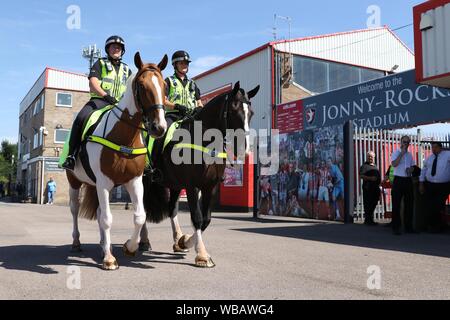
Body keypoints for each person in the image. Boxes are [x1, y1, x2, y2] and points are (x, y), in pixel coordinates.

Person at [62, 36, 132, 170]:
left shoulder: (127, 69)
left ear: (122, 51)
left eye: (118, 47)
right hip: (100, 100)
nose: (116, 49)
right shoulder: (100, 63)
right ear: (108, 49)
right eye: (113, 47)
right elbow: (93, 83)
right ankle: (71, 155)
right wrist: (106, 96)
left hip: (119, 104)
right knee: (81, 117)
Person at [164, 50, 203, 127]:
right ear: (175, 65)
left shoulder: (192, 83)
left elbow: (199, 103)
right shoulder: (168, 81)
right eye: (181, 63)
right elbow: (163, 100)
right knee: (164, 131)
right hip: (173, 116)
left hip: (190, 116)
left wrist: (199, 108)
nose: (184, 65)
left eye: (186, 63)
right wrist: (176, 106)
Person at [419, 142, 450, 233]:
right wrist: (421, 183)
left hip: (443, 185)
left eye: (436, 147)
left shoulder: (447, 155)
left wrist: (446, 149)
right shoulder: (430, 158)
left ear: (441, 148)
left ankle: (438, 226)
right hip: (430, 184)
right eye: (432, 147)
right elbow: (423, 170)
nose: (434, 149)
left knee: (437, 205)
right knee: (429, 205)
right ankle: (434, 225)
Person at [390, 135, 416, 235]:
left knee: (409, 204)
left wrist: (411, 169)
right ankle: (396, 227)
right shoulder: (396, 152)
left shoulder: (410, 155)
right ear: (401, 142)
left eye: (407, 142)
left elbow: (413, 166)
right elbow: (394, 164)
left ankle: (408, 227)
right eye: (404, 142)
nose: (406, 144)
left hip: (407, 180)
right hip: (398, 180)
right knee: (396, 204)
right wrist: (401, 154)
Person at [359, 151, 381, 226]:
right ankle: (368, 220)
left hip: (375, 188)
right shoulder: (364, 166)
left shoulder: (375, 166)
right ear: (367, 157)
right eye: (369, 156)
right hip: (368, 188)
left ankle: (370, 219)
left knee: (374, 202)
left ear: (374, 157)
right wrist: (370, 178)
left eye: (371, 156)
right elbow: (361, 176)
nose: (370, 158)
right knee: (368, 204)